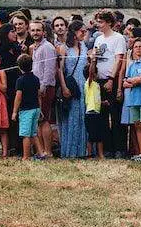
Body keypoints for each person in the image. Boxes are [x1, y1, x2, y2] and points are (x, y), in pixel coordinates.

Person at [92, 11, 126, 157]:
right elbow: (97, 58)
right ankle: (107, 148)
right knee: (103, 117)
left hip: (111, 79)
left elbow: (119, 59)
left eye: (101, 22)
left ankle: (119, 147)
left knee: (116, 115)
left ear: (109, 23)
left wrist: (112, 79)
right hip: (99, 79)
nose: (98, 24)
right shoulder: (98, 39)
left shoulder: (118, 38)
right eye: (97, 22)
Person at [56, 19, 88, 159]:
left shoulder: (84, 46)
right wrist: (64, 87)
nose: (84, 33)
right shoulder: (64, 48)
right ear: (74, 32)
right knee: (71, 117)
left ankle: (82, 150)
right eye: (82, 31)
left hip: (82, 84)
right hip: (70, 83)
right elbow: (60, 70)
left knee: (82, 116)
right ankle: (69, 150)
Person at [29, 20, 57, 158]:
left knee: (44, 119)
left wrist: (43, 86)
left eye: (38, 30)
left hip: (45, 87)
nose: (35, 33)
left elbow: (50, 69)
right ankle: (42, 152)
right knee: (39, 119)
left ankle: (48, 151)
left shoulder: (47, 47)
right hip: (36, 87)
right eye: (33, 30)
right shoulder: (35, 47)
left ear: (44, 32)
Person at [12, 53, 42, 161]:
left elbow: (18, 97)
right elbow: (39, 95)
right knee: (34, 133)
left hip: (26, 111)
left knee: (26, 135)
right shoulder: (36, 79)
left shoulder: (20, 80)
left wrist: (14, 112)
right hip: (36, 109)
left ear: (19, 67)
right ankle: (41, 153)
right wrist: (40, 108)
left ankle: (26, 156)